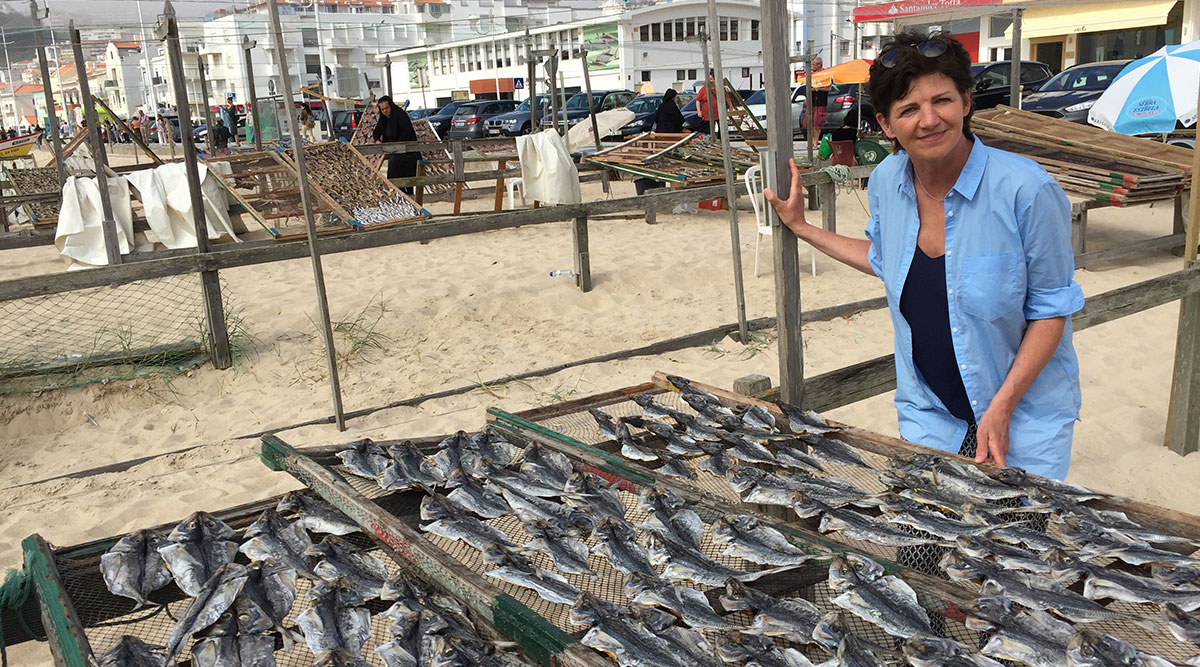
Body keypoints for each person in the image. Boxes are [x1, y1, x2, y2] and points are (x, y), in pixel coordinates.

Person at [764, 31, 1084, 481]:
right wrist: (802, 227)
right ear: (888, 125)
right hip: (930, 417)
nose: (929, 119)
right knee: (918, 548)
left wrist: (1001, 407)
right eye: (910, 109)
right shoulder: (887, 182)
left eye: (942, 101)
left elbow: (1052, 311)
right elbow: (885, 259)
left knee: (1008, 548)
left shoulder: (1027, 191)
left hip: (1021, 418)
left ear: (967, 103)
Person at [372, 95, 418, 194]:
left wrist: (395, 146)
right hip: (394, 153)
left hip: (408, 152)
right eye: (382, 109)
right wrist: (377, 141)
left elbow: (407, 133)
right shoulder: (383, 119)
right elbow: (376, 132)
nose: (385, 111)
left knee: (405, 179)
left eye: (386, 108)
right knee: (394, 178)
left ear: (391, 106)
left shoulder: (400, 115)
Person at [808, 56, 831, 136]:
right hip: (812, 101)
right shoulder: (811, 74)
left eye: (813, 64)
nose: (812, 66)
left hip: (821, 102)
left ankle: (815, 141)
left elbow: (829, 88)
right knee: (810, 122)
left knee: (817, 123)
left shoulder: (825, 74)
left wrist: (817, 89)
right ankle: (812, 140)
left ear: (819, 65)